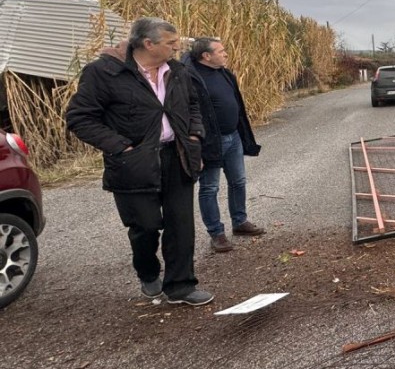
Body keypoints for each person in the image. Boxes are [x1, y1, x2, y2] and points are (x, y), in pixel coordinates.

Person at [66, 17, 213, 306]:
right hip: (134, 162)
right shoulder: (104, 73)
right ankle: (147, 273)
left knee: (180, 224)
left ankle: (181, 286)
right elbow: (80, 118)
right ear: (149, 44)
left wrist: (195, 135)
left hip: (178, 155)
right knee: (145, 226)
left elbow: (193, 105)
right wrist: (121, 147)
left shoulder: (178, 71)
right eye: (170, 43)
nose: (176, 48)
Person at [182, 37, 263, 253]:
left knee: (238, 181)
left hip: (233, 136)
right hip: (210, 141)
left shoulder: (224, 73)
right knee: (210, 187)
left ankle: (240, 222)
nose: (226, 54)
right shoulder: (190, 76)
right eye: (221, 51)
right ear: (206, 56)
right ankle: (216, 233)